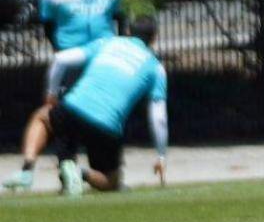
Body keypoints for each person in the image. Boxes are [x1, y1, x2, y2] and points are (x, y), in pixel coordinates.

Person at [3, 0, 123, 191]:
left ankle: (92, 170)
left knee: (100, 116)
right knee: (61, 115)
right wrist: (62, 51)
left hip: (102, 63)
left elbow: (118, 17)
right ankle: (66, 167)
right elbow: (48, 24)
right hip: (70, 60)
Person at [4, 17, 167, 196]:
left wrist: (51, 95)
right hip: (106, 126)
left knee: (41, 117)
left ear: (128, 32)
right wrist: (161, 155)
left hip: (71, 110)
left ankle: (27, 171)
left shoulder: (107, 43)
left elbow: (60, 60)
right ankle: (81, 174)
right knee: (111, 181)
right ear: (153, 39)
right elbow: (158, 117)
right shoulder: (156, 68)